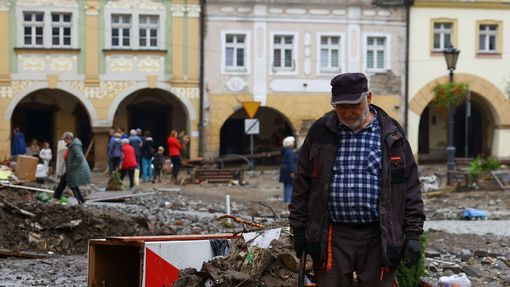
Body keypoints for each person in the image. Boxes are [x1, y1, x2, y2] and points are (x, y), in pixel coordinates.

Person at [289, 73, 425, 287]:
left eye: (354, 105)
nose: (347, 112)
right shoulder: (320, 132)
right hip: (332, 235)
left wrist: (413, 233)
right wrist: (298, 228)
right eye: (340, 106)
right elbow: (302, 183)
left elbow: (409, 186)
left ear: (368, 98)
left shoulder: (391, 133)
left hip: (378, 234)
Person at [53, 132, 90, 204]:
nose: (64, 142)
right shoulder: (71, 146)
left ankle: (81, 201)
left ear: (69, 139)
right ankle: (56, 197)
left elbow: (79, 158)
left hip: (75, 169)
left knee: (73, 185)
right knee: (63, 182)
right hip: (71, 169)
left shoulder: (75, 147)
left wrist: (72, 166)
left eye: (65, 140)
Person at [279, 136, 297, 204]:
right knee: (289, 186)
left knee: (286, 185)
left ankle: (286, 199)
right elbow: (291, 162)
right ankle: (288, 200)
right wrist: (292, 171)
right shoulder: (290, 152)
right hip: (289, 171)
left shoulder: (286, 151)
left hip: (285, 170)